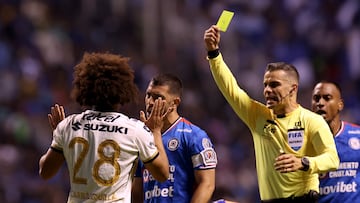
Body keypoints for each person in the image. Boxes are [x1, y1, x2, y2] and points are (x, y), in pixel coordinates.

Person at [203, 25, 339, 203]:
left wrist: (304, 163)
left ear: (293, 89)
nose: (267, 90)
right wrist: (214, 54)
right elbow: (231, 90)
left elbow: (332, 159)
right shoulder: (258, 116)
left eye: (274, 85)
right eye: (265, 85)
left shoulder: (311, 121)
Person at [39, 52, 170, 203]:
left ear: (85, 88)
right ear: (123, 91)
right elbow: (162, 174)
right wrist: (155, 132)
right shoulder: (135, 129)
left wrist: (59, 136)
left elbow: (45, 172)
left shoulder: (69, 125)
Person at [132, 73, 217, 203]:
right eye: (148, 95)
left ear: (175, 103)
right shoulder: (142, 137)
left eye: (158, 97)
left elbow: (207, 184)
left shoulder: (194, 136)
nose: (150, 102)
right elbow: (137, 190)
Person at [311, 81, 360, 203]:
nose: (320, 103)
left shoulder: (357, 136)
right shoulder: (302, 143)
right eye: (316, 98)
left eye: (327, 98)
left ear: (340, 104)